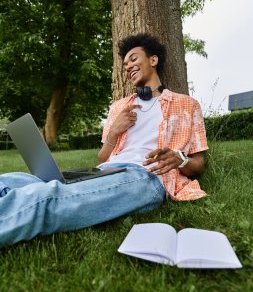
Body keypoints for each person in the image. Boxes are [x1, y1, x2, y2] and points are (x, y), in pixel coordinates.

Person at [0, 33, 208, 247]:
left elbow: (198, 163)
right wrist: (113, 133)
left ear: (153, 60)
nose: (128, 67)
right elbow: (103, 157)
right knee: (6, 181)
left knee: (46, 197)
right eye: (125, 64)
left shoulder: (186, 105)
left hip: (146, 176)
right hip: (105, 171)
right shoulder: (119, 107)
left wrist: (179, 159)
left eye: (134, 59)